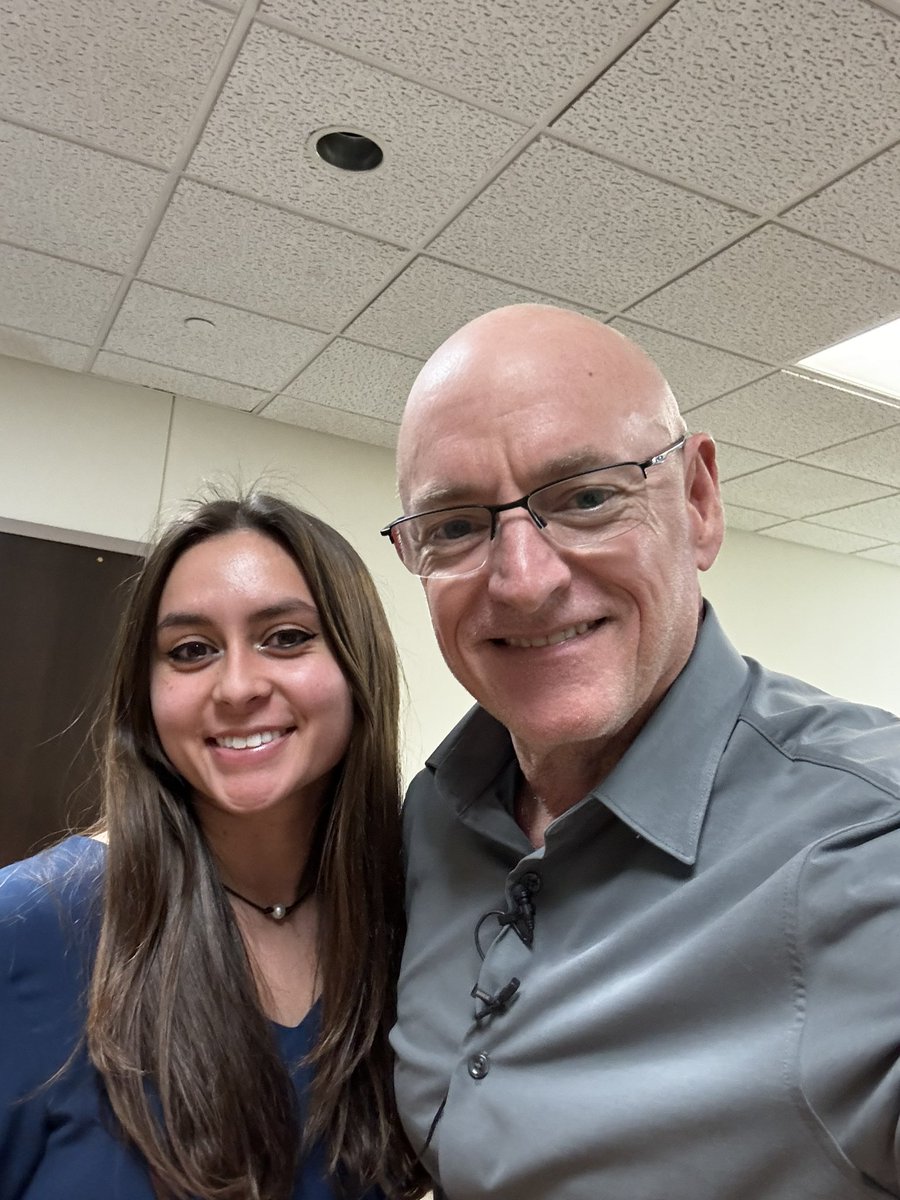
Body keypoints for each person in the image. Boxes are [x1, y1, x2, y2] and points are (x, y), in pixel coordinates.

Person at [380, 304, 900, 1200]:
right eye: (456, 526)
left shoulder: (869, 845)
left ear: (698, 502)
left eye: (586, 497)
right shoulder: (436, 814)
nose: (524, 580)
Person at [0, 493, 426, 1200]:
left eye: (286, 637)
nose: (236, 687)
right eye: (190, 651)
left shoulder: (411, 927)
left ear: (358, 668)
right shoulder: (28, 929)